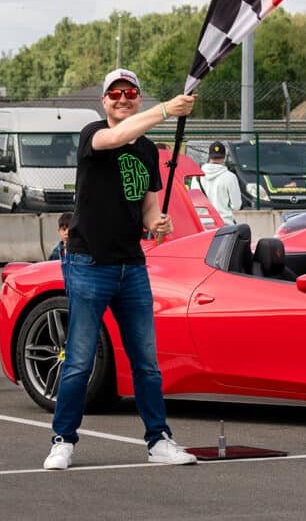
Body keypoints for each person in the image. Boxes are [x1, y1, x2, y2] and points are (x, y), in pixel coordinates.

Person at [43, 68, 198, 470]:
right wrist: (168, 109)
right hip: (88, 262)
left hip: (132, 265)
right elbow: (116, 137)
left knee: (146, 361)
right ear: (104, 100)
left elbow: (148, 204)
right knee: (78, 359)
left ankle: (158, 440)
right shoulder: (93, 134)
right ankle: (63, 440)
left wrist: (155, 223)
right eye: (115, 93)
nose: (122, 98)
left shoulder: (147, 150)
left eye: (130, 93)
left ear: (138, 98)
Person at [197, 141, 242, 225]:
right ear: (224, 157)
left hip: (202, 225)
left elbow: (194, 203)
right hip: (224, 224)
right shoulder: (230, 177)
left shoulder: (197, 176)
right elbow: (236, 206)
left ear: (209, 156)